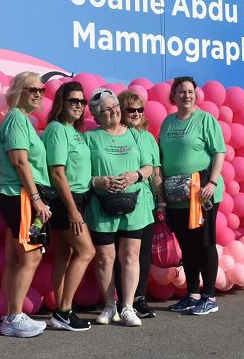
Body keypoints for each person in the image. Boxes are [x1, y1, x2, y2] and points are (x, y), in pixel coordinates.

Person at [85, 87, 155, 327]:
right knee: (105, 257)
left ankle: (127, 307)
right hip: (102, 205)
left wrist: (135, 176)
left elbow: (148, 167)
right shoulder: (89, 138)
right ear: (96, 115)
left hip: (134, 205)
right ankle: (109, 305)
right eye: (107, 110)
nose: (114, 112)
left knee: (130, 254)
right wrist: (98, 181)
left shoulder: (135, 135)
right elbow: (81, 175)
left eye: (115, 107)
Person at [158, 76, 225, 316]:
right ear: (173, 96)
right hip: (177, 197)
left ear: (195, 95)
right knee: (186, 245)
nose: (186, 96)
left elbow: (219, 153)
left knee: (204, 243)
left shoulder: (206, 120)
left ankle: (209, 296)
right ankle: (193, 293)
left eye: (190, 91)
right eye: (181, 92)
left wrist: (212, 182)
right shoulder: (167, 123)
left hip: (202, 195)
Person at [0, 72, 52, 337]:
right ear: (19, 91)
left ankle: (11, 314)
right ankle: (14, 318)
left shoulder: (20, 120)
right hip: (20, 195)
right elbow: (20, 161)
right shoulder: (17, 119)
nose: (39, 94)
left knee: (16, 259)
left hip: (15, 194)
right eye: (33, 89)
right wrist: (36, 198)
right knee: (30, 257)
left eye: (41, 89)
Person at [42, 81, 96, 332]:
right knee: (87, 252)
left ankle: (59, 312)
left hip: (79, 198)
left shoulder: (76, 132)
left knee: (64, 255)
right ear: (61, 103)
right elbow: (57, 172)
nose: (78, 106)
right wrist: (72, 209)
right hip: (66, 200)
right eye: (73, 101)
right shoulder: (56, 129)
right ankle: (64, 311)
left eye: (81, 102)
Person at [113, 90, 163, 319]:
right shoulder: (114, 135)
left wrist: (161, 202)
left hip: (146, 202)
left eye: (139, 109)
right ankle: (122, 299)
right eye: (130, 109)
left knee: (142, 252)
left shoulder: (148, 137)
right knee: (119, 253)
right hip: (119, 201)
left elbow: (156, 172)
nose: (135, 113)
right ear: (120, 111)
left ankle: (139, 298)